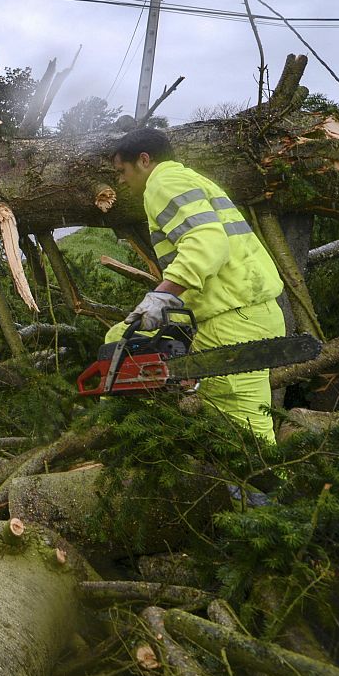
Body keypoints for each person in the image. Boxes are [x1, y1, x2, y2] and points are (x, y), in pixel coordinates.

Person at [108, 127, 285, 442]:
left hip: (231, 321)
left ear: (144, 160)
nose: (120, 180)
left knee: (247, 441)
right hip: (247, 311)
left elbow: (207, 242)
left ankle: (124, 444)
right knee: (117, 339)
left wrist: (162, 297)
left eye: (122, 171)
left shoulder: (162, 183)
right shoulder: (193, 179)